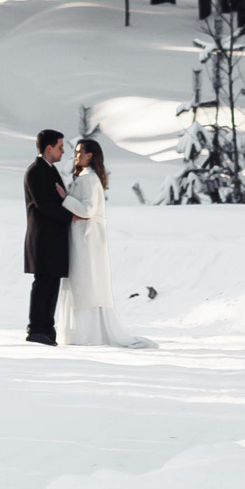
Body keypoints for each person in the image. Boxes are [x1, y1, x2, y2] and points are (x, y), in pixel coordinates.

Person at [58, 137, 153, 348]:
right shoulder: (85, 177)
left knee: (84, 281)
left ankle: (86, 334)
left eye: (80, 152)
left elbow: (88, 209)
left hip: (85, 239)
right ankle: (83, 333)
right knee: (83, 281)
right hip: (83, 237)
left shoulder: (89, 179)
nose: (76, 155)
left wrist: (65, 198)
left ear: (90, 155)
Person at [22, 129, 69, 344]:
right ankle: (36, 328)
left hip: (55, 238)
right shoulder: (35, 172)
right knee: (42, 282)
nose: (63, 151)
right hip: (42, 238)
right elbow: (45, 205)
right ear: (48, 148)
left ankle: (47, 327)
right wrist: (71, 215)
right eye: (60, 147)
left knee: (53, 282)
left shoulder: (51, 171)